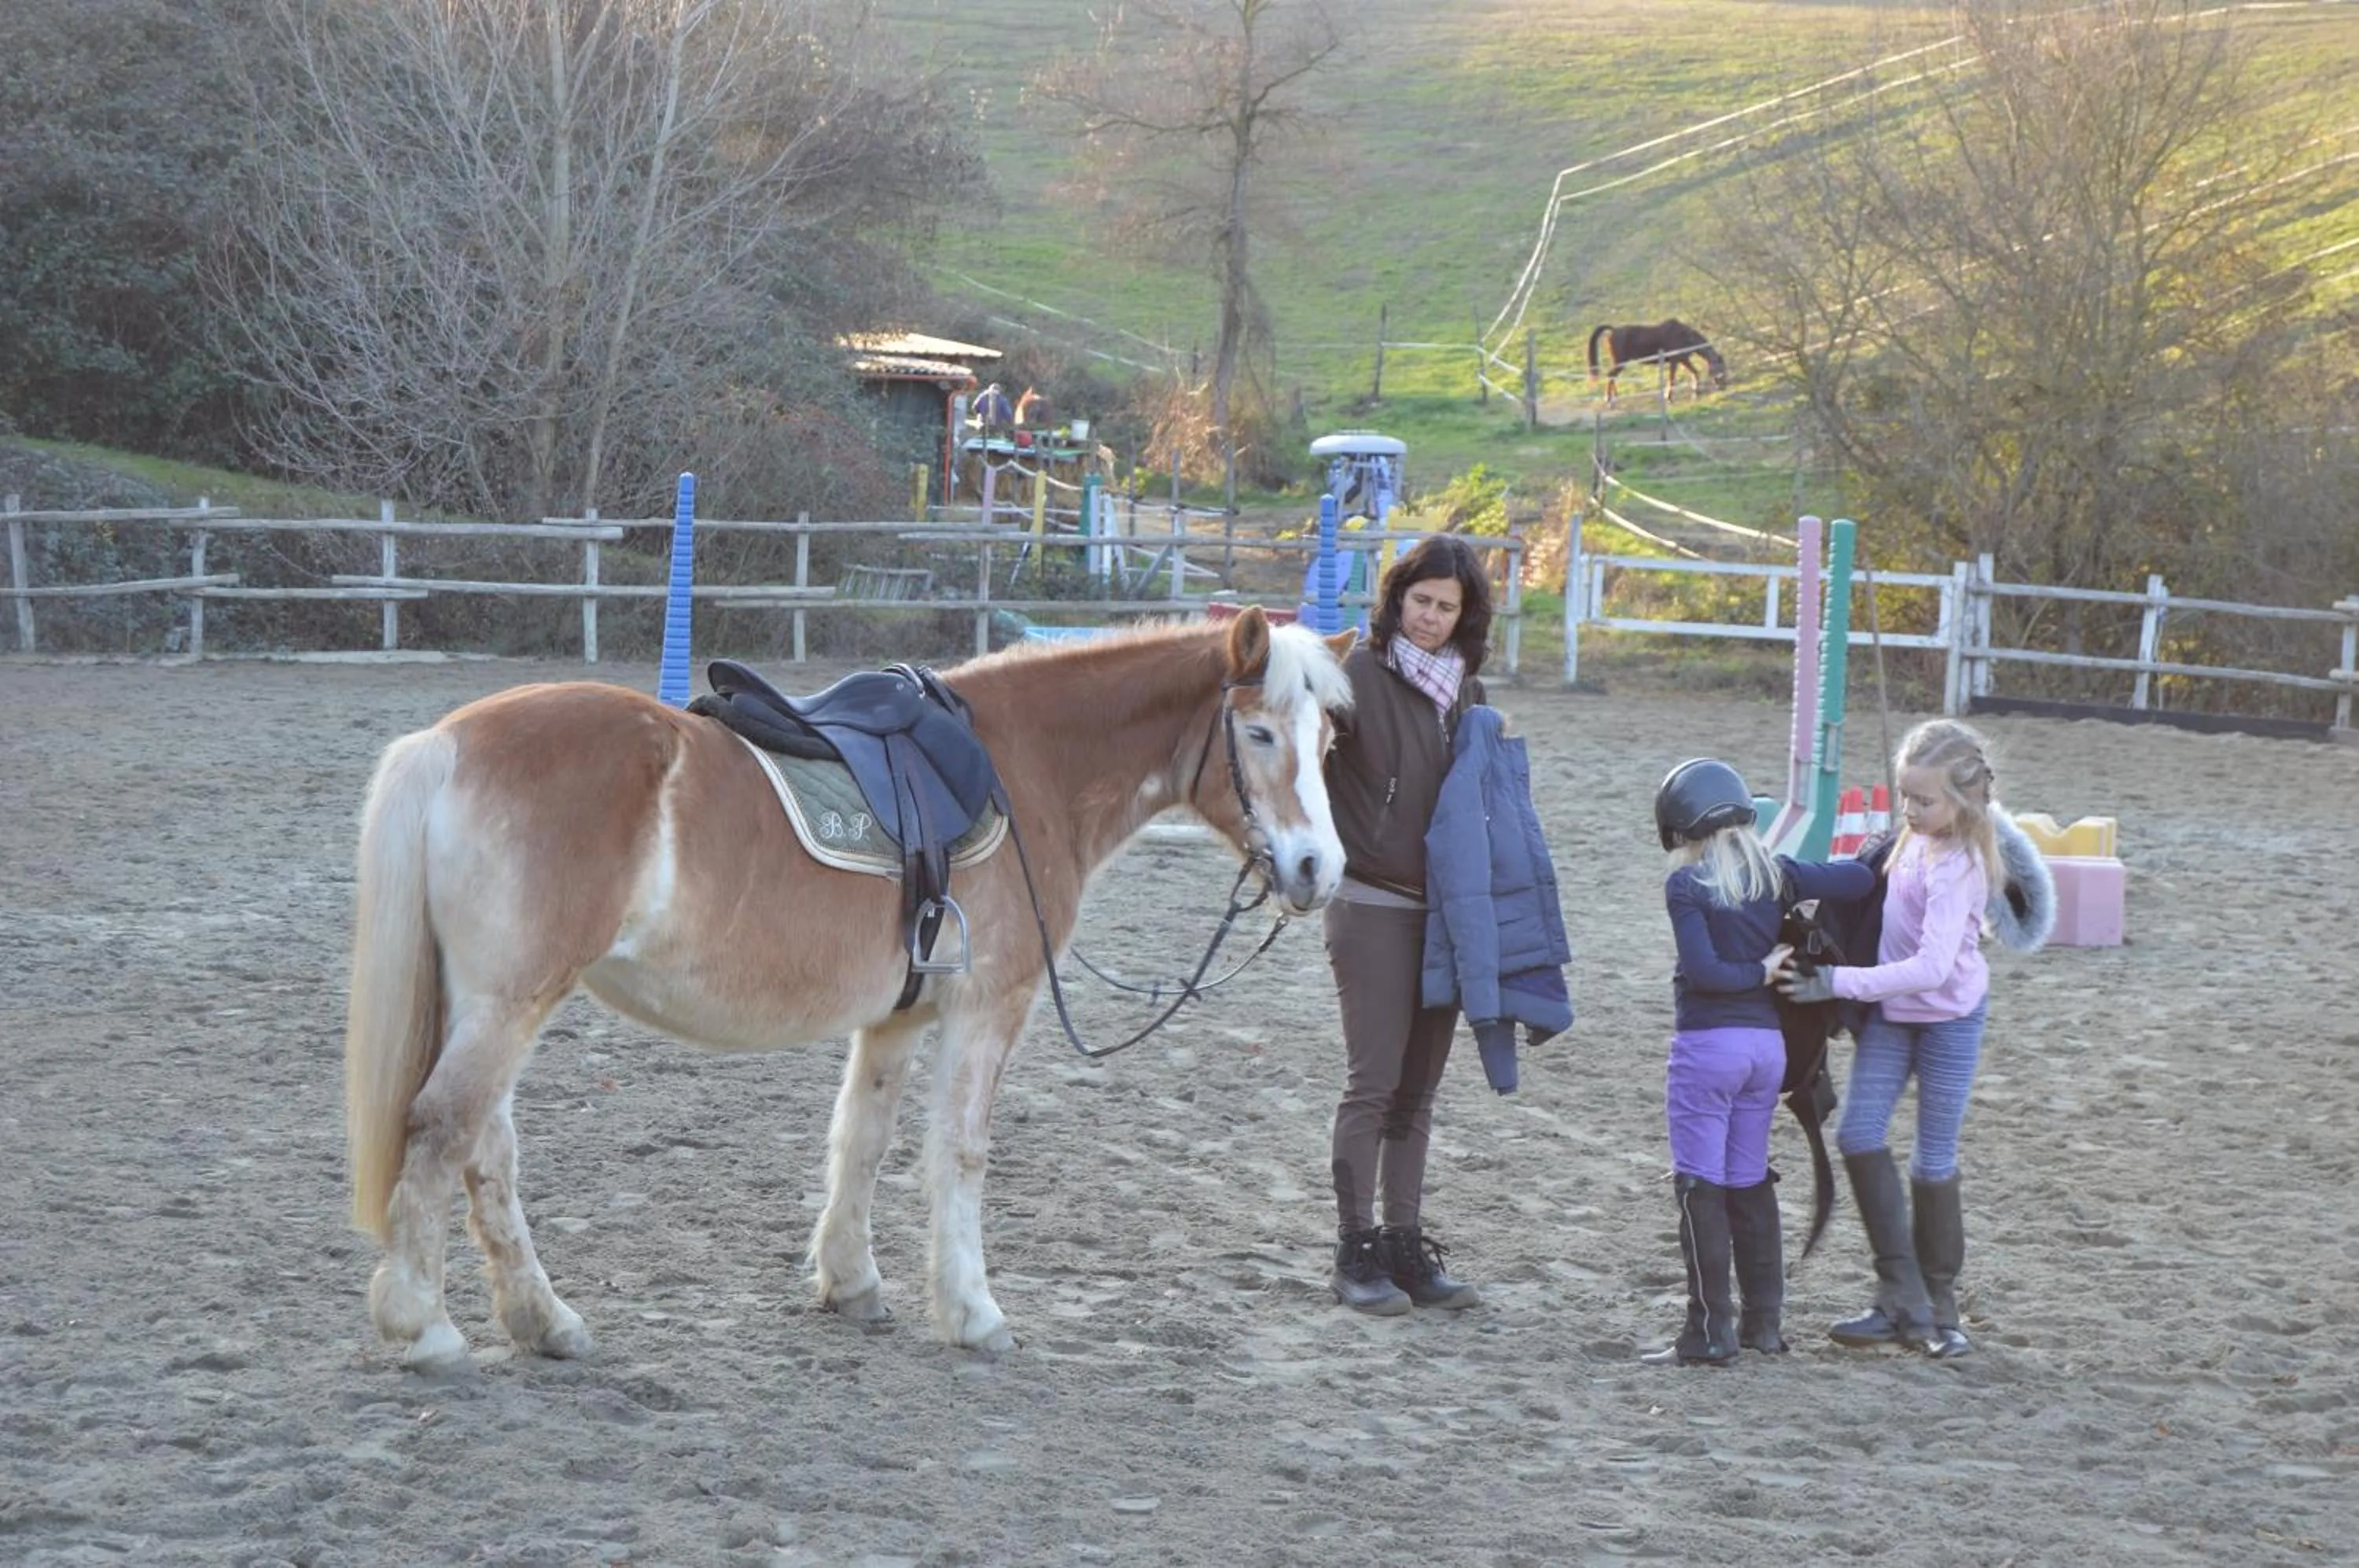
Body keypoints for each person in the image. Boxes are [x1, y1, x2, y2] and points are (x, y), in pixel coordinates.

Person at [1779, 718, 2010, 1359]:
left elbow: (1933, 969)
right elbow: (1861, 886)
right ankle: (1897, 1296)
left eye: (1924, 800)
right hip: (1892, 1016)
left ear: (1961, 802)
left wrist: (1836, 982)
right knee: (1857, 1135)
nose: (1909, 809)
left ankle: (1940, 1307)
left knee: (1932, 1160)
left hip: (1947, 1021)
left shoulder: (1959, 864)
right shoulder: (1907, 840)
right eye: (1904, 796)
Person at [1645, 758, 1877, 1365]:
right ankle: (1763, 1326)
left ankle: (1709, 1332)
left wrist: (1758, 969)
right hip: (1766, 1055)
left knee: (1699, 1184)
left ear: (1679, 829)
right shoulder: (1778, 876)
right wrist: (1882, 848)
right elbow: (1856, 880)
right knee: (1748, 1176)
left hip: (1708, 1050)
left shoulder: (1686, 887)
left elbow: (1706, 974)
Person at [1319, 532, 1494, 1316]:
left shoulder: (1469, 694)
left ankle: (1404, 1243)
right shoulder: (1355, 674)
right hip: (1371, 904)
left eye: (1445, 606)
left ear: (1465, 615)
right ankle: (1354, 1249)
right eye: (1420, 600)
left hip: (1446, 916)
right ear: (1398, 598)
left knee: (1417, 1094)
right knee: (1373, 1082)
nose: (1429, 617)